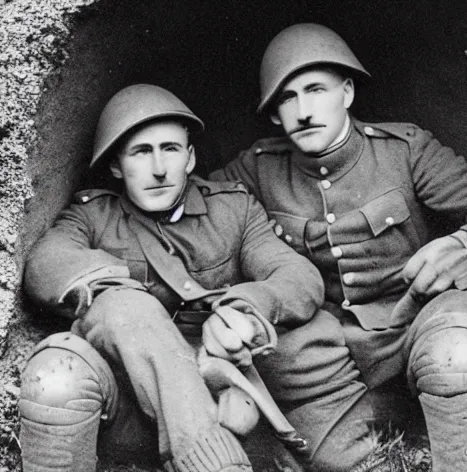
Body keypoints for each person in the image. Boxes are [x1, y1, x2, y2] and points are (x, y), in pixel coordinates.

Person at [210, 23, 467, 472]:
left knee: (457, 355)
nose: (304, 110)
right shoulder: (256, 169)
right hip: (334, 366)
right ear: (274, 114)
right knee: (314, 446)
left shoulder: (405, 149)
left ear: (347, 92)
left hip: (423, 325)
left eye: (316, 89)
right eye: (287, 98)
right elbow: (193, 213)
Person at [19, 84, 326, 472]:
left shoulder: (232, 209)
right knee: (56, 375)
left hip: (219, 404)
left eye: (170, 149)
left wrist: (246, 311)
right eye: (141, 152)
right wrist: (119, 295)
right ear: (116, 166)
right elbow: (47, 262)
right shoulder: (92, 216)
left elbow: (297, 275)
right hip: (129, 408)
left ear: (190, 158)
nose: (159, 169)